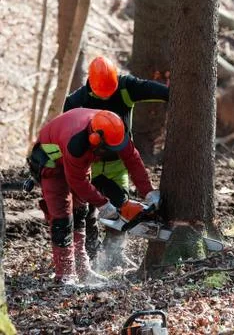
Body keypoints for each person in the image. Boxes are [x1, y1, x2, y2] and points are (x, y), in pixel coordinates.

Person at [27, 108, 160, 284]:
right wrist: (103, 204)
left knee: (80, 213)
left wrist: (148, 192)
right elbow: (77, 182)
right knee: (63, 218)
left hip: (78, 164)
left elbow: (133, 160)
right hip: (51, 164)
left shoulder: (115, 130)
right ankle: (65, 274)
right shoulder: (77, 144)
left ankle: (83, 270)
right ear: (95, 140)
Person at [63, 56, 169, 269]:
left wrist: (175, 92)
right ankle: (91, 257)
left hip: (118, 159)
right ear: (90, 84)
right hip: (87, 164)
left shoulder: (126, 87)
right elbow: (65, 137)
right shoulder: (75, 101)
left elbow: (157, 91)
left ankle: (114, 254)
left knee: (122, 205)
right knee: (87, 211)